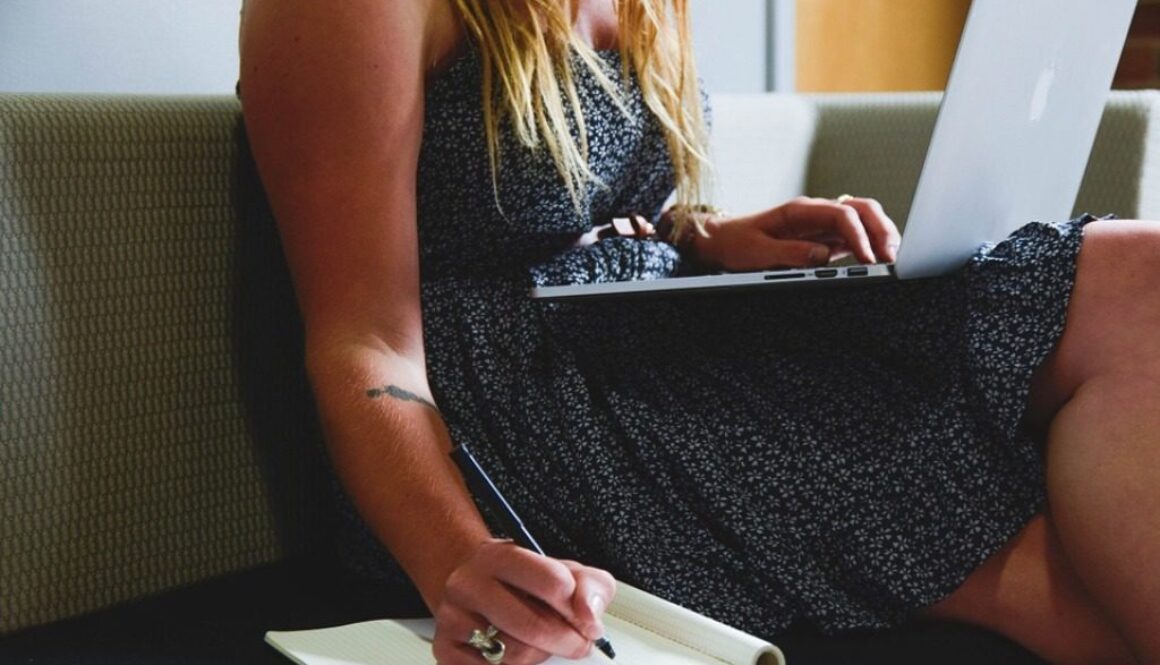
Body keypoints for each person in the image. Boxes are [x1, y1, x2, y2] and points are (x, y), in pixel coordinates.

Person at [237, 1, 1160, 663]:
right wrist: (460, 563)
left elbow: (580, 204)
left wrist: (710, 239)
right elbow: (364, 342)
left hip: (647, 332)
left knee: (1138, 275)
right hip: (515, 413)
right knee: (1056, 552)